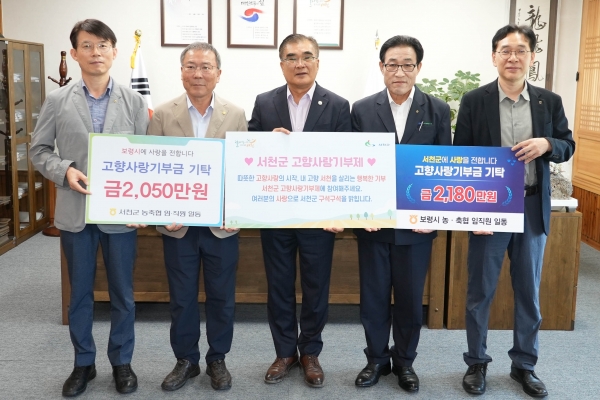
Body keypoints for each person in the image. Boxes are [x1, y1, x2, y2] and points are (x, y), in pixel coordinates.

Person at [454, 24, 575, 397]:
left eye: (521, 50)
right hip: (489, 208)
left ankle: (524, 365)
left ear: (532, 57)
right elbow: (462, 156)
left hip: (530, 205)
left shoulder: (548, 101)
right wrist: (475, 213)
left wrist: (546, 144)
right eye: (505, 50)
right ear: (494, 56)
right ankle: (476, 362)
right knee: (480, 291)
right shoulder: (474, 101)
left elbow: (567, 145)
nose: (513, 57)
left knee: (528, 292)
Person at [30, 19, 149, 397]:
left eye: (102, 45)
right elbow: (38, 151)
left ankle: (122, 361)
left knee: (122, 294)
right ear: (75, 53)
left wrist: (142, 205)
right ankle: (83, 362)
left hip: (120, 214)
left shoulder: (134, 101)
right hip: (75, 212)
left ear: (114, 52)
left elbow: (146, 158)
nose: (95, 53)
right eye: (87, 46)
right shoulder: (57, 100)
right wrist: (64, 171)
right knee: (79, 294)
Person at [248, 33, 351, 388]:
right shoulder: (264, 103)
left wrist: (339, 211)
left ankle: (310, 352)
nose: (300, 63)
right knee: (278, 285)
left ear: (318, 62)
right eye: (291, 57)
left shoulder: (338, 105)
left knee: (315, 285)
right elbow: (249, 151)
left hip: (320, 216)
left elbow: (347, 161)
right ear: (282, 65)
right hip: (276, 213)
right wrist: (267, 144)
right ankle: (284, 352)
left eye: (307, 56)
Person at [350, 35, 451, 392]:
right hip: (374, 223)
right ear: (382, 67)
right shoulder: (362, 109)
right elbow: (353, 163)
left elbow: (444, 167)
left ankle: (405, 362)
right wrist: (360, 210)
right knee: (374, 297)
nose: (399, 72)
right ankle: (376, 359)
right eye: (392, 64)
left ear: (418, 68)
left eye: (407, 64)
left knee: (409, 299)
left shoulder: (437, 110)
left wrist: (432, 215)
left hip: (416, 225)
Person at [147, 42, 247, 392]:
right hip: (179, 226)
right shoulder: (162, 114)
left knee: (222, 297)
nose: (198, 74)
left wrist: (235, 211)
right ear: (181, 72)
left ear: (218, 73)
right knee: (182, 298)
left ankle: (217, 358)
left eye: (206, 67)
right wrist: (161, 212)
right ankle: (186, 360)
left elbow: (242, 171)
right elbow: (152, 170)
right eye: (191, 66)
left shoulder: (236, 114)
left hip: (221, 226)